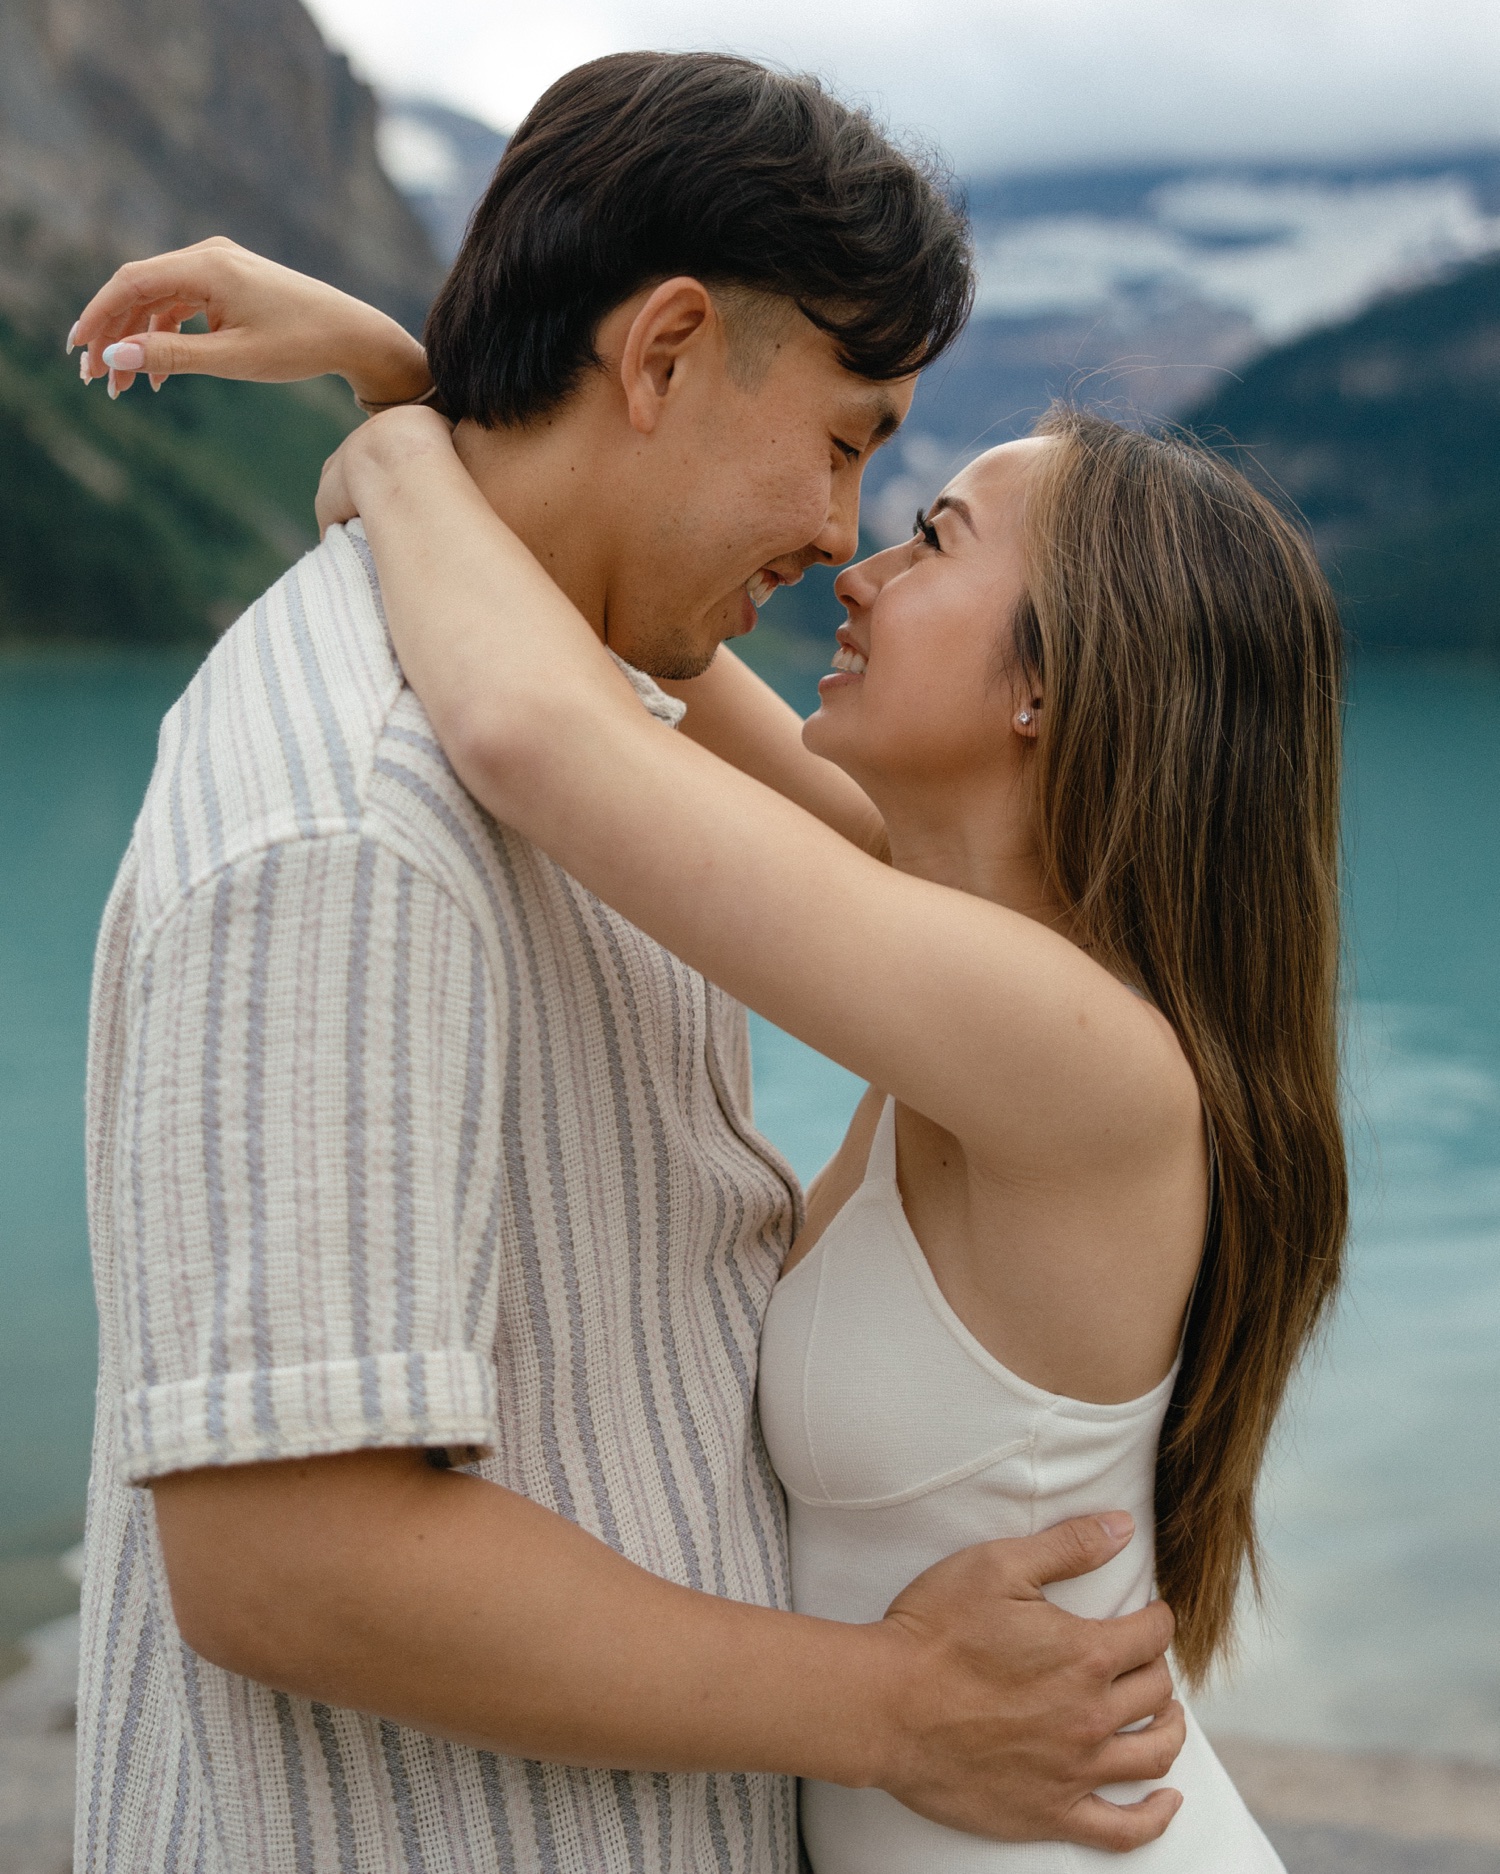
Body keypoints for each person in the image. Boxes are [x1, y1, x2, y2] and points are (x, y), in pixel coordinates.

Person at [71, 51, 1189, 1874]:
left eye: (906, 503)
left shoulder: (612, 718)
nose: (845, 541)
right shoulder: (354, 830)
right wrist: (893, 1704)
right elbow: (289, 1556)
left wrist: (418, 412)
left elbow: (555, 706)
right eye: (846, 444)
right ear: (661, 353)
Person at [296, 389, 1348, 1871]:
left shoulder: (1077, 1055)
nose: (857, 570)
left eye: (933, 541)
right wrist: (423, 381)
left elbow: (533, 725)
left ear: (1048, 685)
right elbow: (617, 633)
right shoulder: (961, 949)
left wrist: (402, 455)